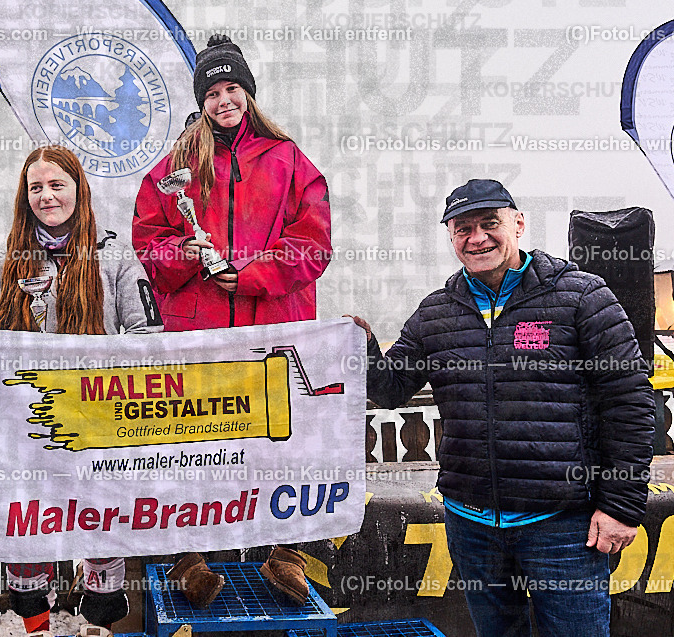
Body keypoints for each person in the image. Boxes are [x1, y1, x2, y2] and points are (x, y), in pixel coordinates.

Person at [352, 179, 655, 636]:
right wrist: (363, 345)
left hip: (564, 526)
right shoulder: (437, 312)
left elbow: (629, 402)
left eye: (490, 224)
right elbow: (391, 389)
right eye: (463, 228)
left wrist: (622, 506)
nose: (477, 238)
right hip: (471, 524)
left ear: (518, 224)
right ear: (451, 238)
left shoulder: (581, 297)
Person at [131, 34, 332, 606]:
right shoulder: (174, 168)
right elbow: (150, 239)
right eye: (213, 92)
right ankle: (189, 557)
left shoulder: (288, 158)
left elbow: (313, 243)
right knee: (196, 444)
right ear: (202, 102)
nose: (224, 100)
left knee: (280, 442)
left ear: (248, 93)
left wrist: (252, 273)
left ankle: (284, 556)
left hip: (273, 328)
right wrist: (188, 256)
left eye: (232, 88)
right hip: (202, 334)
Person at [0, 145, 162, 635]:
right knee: (31, 531)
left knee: (100, 529)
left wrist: (101, 359)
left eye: (57, 185)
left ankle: (98, 625)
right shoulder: (10, 262)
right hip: (29, 430)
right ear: (24, 195)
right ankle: (36, 624)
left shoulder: (114, 256)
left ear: (80, 190)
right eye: (36, 187)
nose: (46, 196)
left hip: (100, 423)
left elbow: (148, 334)